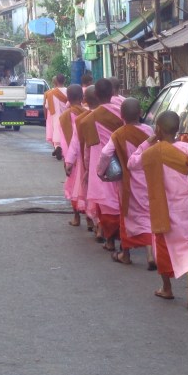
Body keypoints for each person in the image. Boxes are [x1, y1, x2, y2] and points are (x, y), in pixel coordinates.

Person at [133, 110, 188, 310]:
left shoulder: (151, 152)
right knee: (187, 247)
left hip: (161, 207)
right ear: (177, 130)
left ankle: (166, 287)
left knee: (162, 248)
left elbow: (132, 163)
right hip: (184, 207)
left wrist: (147, 142)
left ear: (157, 130)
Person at [98, 98, 155, 268]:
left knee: (128, 217)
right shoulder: (149, 131)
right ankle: (151, 254)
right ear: (140, 113)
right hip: (150, 180)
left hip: (129, 182)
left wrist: (100, 173)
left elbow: (106, 154)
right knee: (148, 215)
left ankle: (126, 254)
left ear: (121, 116)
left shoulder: (118, 134)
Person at [77, 79, 124, 252]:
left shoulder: (89, 120)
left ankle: (108, 238)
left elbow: (88, 148)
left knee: (106, 204)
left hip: (101, 165)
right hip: (123, 161)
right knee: (122, 202)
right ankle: (123, 241)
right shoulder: (122, 113)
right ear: (113, 93)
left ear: (96, 95)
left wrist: (88, 169)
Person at [65, 86, 100, 233]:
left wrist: (69, 161)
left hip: (81, 159)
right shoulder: (101, 116)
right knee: (98, 192)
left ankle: (81, 219)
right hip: (101, 159)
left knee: (80, 189)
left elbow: (73, 142)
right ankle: (95, 224)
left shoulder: (78, 119)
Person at [58, 85, 88, 227]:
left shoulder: (64, 116)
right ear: (82, 98)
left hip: (72, 157)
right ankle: (90, 221)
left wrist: (67, 160)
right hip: (86, 157)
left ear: (68, 99)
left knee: (73, 187)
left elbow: (64, 141)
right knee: (87, 188)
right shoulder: (88, 113)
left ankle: (76, 218)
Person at [45, 74, 68, 160]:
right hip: (66, 115)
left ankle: (57, 147)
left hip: (55, 115)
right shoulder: (68, 91)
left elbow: (47, 106)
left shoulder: (50, 93)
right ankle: (64, 149)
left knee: (56, 131)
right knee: (65, 132)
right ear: (64, 81)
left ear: (56, 81)